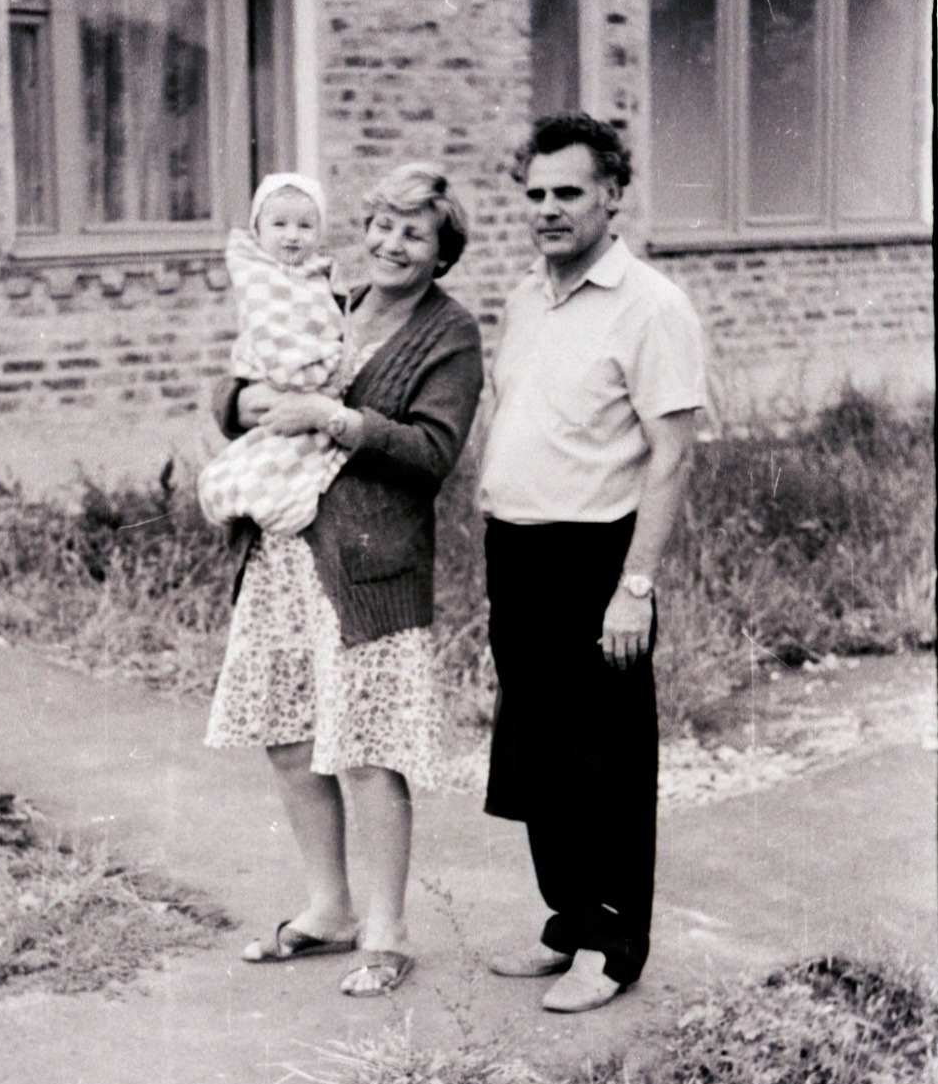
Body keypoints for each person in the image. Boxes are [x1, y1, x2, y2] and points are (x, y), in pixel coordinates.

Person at [206, 162, 484, 996]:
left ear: (441, 251)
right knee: (290, 736)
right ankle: (327, 908)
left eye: (413, 233)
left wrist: (338, 418)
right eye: (382, 226)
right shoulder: (330, 300)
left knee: (365, 747)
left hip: (368, 565)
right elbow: (240, 382)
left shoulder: (450, 333)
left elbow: (435, 451)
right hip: (284, 548)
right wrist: (243, 402)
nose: (391, 244)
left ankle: (387, 930)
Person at [478, 113, 707, 1014]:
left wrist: (634, 588)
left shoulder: (651, 305)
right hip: (517, 551)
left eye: (567, 191)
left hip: (596, 558)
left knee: (604, 756)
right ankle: (568, 921)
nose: (548, 209)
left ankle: (613, 945)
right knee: (537, 752)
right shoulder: (524, 298)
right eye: (533, 193)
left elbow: (673, 454)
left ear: (612, 194)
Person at [197, 173, 349, 536]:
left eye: (305, 226)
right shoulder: (259, 277)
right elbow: (270, 330)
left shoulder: (322, 280)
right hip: (276, 379)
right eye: (279, 224)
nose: (292, 235)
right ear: (258, 231)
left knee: (298, 455)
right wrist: (310, 372)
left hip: (311, 404)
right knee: (262, 452)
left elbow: (331, 326)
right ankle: (250, 498)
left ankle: (285, 505)